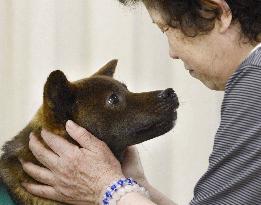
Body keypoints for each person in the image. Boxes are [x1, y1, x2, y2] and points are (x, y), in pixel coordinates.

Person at [20, 0, 261, 204]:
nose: (172, 53)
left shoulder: (255, 82)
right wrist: (138, 186)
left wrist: (107, 188)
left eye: (165, 28)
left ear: (220, 12)